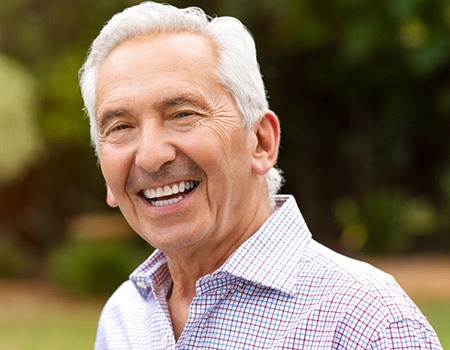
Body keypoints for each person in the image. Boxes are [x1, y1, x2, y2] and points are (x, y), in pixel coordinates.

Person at [79, 2, 442, 349]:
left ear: (261, 142)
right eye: (121, 126)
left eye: (183, 114)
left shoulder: (367, 322)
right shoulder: (124, 315)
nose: (152, 156)